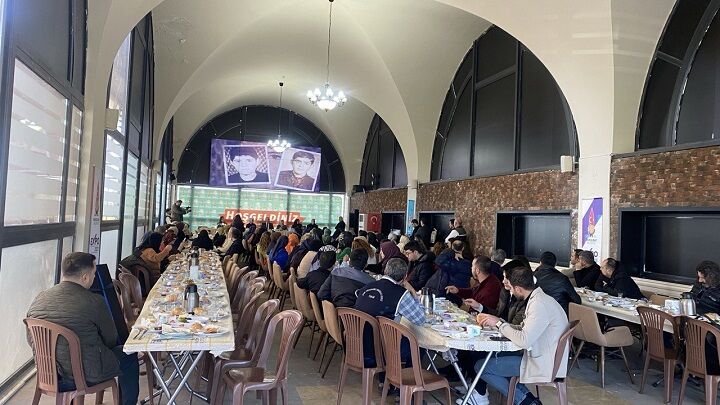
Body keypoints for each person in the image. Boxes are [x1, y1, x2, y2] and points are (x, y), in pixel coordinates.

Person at [26, 253, 139, 405]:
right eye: (94, 274)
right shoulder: (94, 301)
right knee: (129, 355)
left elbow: (30, 339)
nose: (94, 278)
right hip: (87, 373)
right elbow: (111, 340)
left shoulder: (39, 298)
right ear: (85, 277)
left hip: (51, 373)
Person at [476, 266, 569, 405]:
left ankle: (526, 401)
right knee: (491, 357)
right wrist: (499, 323)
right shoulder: (540, 298)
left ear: (518, 289)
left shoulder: (538, 304)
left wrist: (500, 325)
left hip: (544, 363)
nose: (511, 291)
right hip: (543, 355)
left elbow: (524, 340)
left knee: (481, 367)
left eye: (511, 288)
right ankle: (527, 398)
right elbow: (524, 328)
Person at [354, 258, 426, 369]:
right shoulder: (401, 294)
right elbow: (420, 320)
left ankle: (387, 375)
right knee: (418, 344)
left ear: (385, 271)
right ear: (405, 277)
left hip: (355, 345)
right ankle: (403, 378)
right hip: (381, 351)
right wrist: (414, 293)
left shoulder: (365, 287)